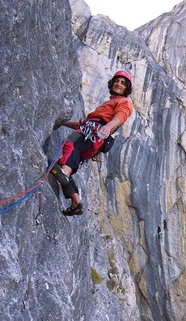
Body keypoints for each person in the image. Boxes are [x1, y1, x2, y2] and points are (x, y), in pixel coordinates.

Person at [52, 70, 133, 216]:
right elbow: (82, 123)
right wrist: (63, 123)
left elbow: (121, 116)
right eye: (117, 81)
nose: (118, 84)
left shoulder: (124, 102)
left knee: (70, 144)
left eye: (123, 83)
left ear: (127, 88)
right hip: (91, 132)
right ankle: (75, 201)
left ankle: (65, 172)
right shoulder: (108, 103)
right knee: (60, 165)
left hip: (96, 132)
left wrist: (108, 127)